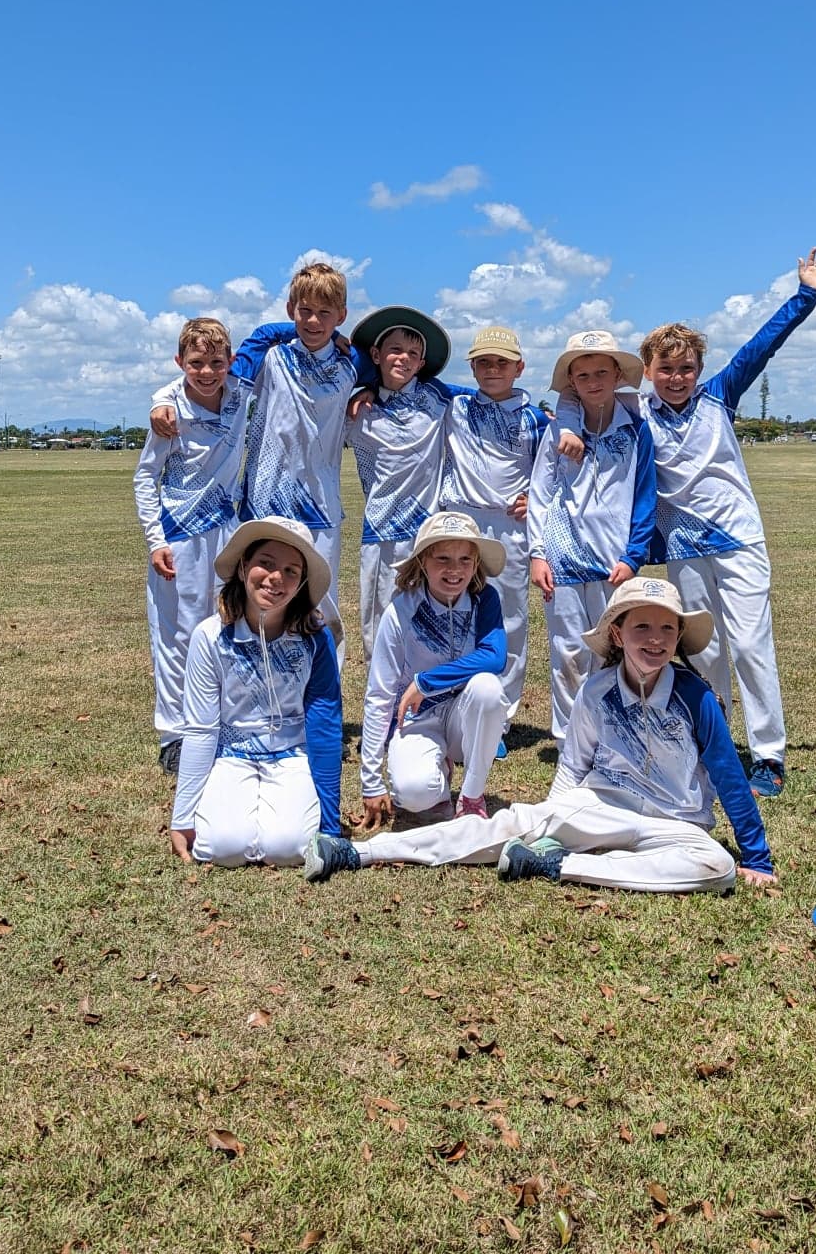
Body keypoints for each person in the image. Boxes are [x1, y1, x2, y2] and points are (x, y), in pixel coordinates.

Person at [559, 250, 816, 797]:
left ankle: (768, 754)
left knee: (752, 644)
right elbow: (575, 393)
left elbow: (763, 345)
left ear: (699, 369)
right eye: (666, 369)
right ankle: (714, 743)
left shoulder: (720, 398)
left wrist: (806, 295)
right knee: (705, 651)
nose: (677, 377)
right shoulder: (638, 410)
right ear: (649, 370)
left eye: (686, 368)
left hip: (738, 539)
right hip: (686, 546)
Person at [305, 576, 774, 893]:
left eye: (667, 629)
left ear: (678, 637)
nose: (655, 639)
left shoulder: (695, 697)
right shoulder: (596, 690)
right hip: (600, 806)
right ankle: (360, 854)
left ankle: (556, 865)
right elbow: (574, 764)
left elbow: (728, 776)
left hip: (677, 824)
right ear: (617, 634)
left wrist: (757, 856)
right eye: (642, 627)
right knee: (503, 828)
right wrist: (554, 814)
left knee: (718, 867)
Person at [150, 261, 357, 643]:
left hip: (322, 509)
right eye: (304, 311)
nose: (313, 321)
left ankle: (322, 697)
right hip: (263, 506)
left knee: (320, 611)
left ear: (341, 315)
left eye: (325, 313)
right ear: (290, 310)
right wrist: (161, 398)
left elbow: (397, 374)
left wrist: (370, 390)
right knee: (257, 607)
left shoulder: (352, 364)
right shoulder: (267, 354)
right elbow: (210, 378)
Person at [170, 519, 343, 868]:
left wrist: (330, 823)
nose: (276, 578)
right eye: (266, 562)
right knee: (221, 848)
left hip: (293, 753)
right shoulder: (210, 636)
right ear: (244, 566)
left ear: (302, 583)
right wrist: (183, 816)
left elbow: (324, 722)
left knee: (289, 848)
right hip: (232, 752)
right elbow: (202, 728)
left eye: (291, 570)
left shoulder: (315, 637)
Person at [133, 318, 250, 773]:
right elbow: (146, 475)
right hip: (178, 534)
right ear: (180, 363)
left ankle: (219, 724)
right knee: (175, 635)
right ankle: (174, 735)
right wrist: (154, 540)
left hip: (226, 530)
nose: (206, 373)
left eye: (216, 363)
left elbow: (277, 340)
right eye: (196, 363)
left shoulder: (241, 395)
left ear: (230, 363)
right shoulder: (170, 413)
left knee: (225, 627)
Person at [527, 329, 655, 741]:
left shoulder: (637, 428)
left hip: (613, 561)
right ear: (571, 383)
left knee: (614, 651)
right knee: (567, 654)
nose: (594, 382)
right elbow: (541, 494)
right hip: (562, 558)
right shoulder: (557, 432)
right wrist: (537, 553)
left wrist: (633, 556)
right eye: (582, 376)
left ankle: (611, 736)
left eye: (602, 371)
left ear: (618, 374)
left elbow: (643, 496)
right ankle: (568, 740)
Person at [356, 510, 509, 827]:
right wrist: (371, 779)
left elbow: (494, 657)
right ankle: (438, 780)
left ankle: (471, 796)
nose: (455, 570)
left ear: (476, 563)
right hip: (418, 716)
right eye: (442, 559)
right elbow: (380, 693)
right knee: (414, 793)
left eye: (466, 559)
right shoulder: (401, 609)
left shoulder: (485, 599)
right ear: (423, 561)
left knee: (488, 689)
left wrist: (425, 681)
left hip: (464, 715)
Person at [436, 325, 549, 723]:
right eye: (483, 362)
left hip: (509, 526)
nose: (492, 370)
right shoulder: (456, 404)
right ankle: (454, 702)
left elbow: (555, 474)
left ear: (519, 367)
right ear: (472, 366)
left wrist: (535, 498)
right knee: (454, 609)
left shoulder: (537, 420)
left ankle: (498, 715)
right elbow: (404, 378)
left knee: (509, 619)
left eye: (501, 362)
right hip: (462, 521)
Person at [344, 305, 454, 661]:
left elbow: (491, 396)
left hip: (426, 535)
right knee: (378, 624)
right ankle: (382, 709)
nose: (403, 359)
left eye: (413, 354)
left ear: (422, 363)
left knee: (429, 624)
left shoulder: (440, 399)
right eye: (394, 349)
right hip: (379, 534)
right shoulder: (358, 411)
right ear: (376, 354)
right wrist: (370, 387)